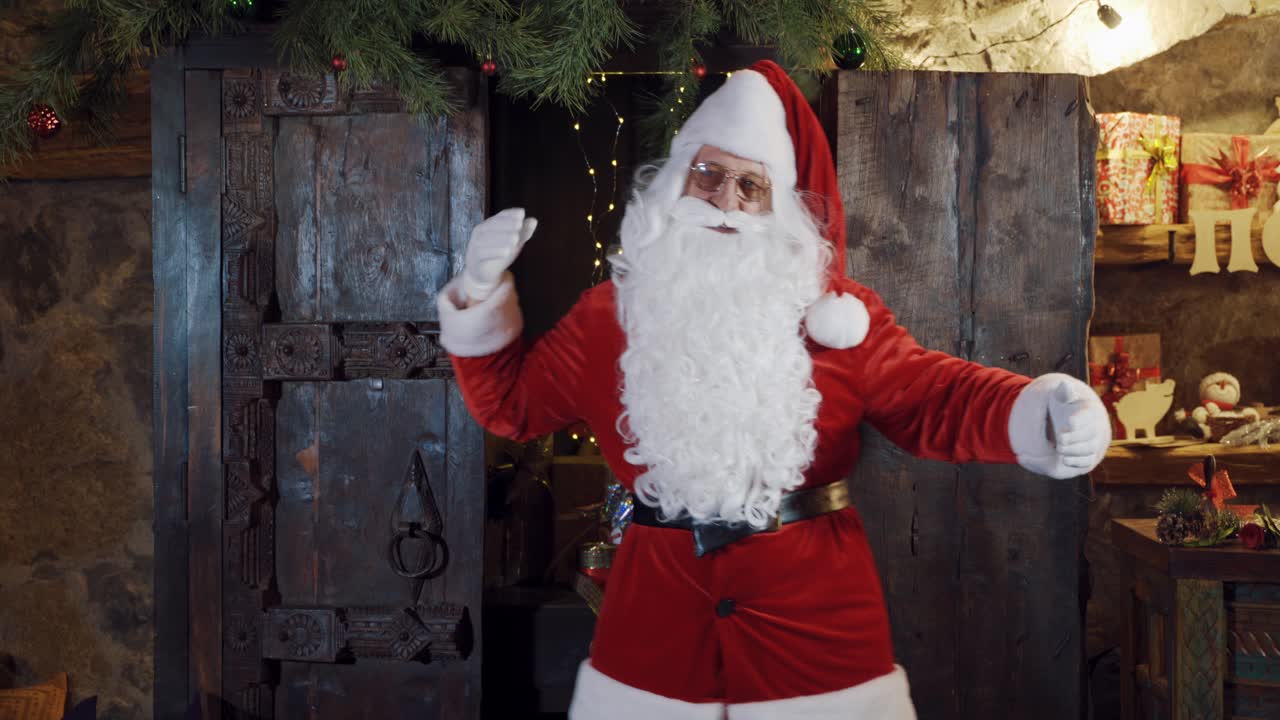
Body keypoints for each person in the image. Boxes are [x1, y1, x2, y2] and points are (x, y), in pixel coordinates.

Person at [437, 60, 1110, 719]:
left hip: (814, 623)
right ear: (676, 183)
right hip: (656, 627)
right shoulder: (608, 317)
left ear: (779, 206)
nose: (726, 201)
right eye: (709, 175)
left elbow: (934, 398)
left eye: (751, 185)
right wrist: (478, 293)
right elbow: (512, 407)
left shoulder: (838, 318)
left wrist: (1039, 412)